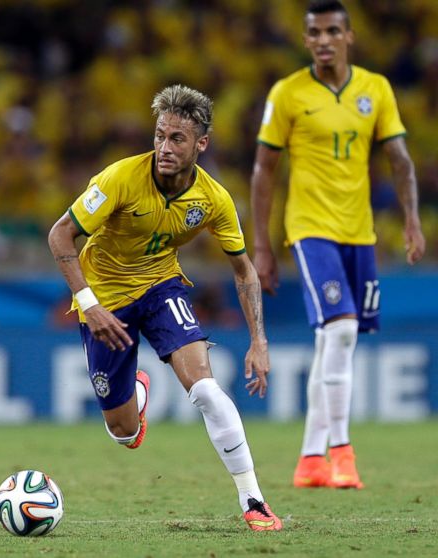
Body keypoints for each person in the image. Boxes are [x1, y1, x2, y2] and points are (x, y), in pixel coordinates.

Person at [48, 84, 282, 531]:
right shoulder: (119, 178)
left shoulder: (213, 200)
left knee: (207, 391)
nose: (164, 147)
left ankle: (253, 500)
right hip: (104, 300)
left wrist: (259, 341)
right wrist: (89, 305)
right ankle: (134, 395)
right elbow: (60, 235)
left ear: (201, 144)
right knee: (124, 432)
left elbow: (245, 271)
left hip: (161, 288)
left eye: (177, 139)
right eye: (159, 135)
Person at [250, 0, 426, 490]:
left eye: (332, 30)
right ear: (305, 39)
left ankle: (309, 461)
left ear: (349, 36)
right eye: (314, 32)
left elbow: (401, 161)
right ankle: (342, 452)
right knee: (343, 329)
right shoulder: (287, 93)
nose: (323, 39)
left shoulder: (376, 89)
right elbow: (264, 170)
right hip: (310, 229)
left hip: (360, 233)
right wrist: (261, 247)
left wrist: (411, 220)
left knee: (332, 340)